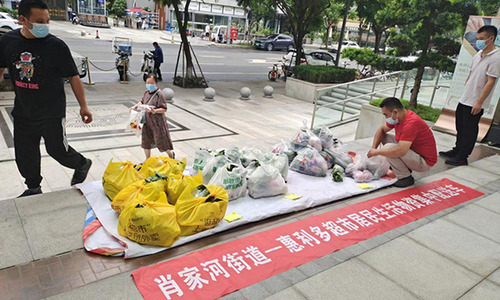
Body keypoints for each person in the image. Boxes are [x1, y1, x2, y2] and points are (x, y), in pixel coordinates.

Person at [0, 0, 93, 197]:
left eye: (47, 20)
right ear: (23, 20)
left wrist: (84, 106)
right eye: (40, 21)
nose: (45, 25)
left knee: (57, 150)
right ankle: (33, 187)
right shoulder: (8, 41)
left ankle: (82, 163)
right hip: (23, 111)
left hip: (51, 111)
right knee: (25, 154)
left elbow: (73, 77)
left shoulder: (56, 46)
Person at [440, 25, 500, 166]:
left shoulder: (496, 58)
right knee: (460, 125)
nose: (478, 41)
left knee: (470, 129)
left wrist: (479, 102)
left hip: (476, 101)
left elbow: (490, 82)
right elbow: (472, 73)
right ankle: (457, 149)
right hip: (466, 97)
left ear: (491, 39)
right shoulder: (479, 54)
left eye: (481, 39)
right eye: (477, 38)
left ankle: (463, 156)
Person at [367, 97, 437, 188]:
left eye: (386, 115)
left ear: (395, 112)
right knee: (384, 137)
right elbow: (382, 130)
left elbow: (401, 151)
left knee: (388, 148)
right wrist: (374, 148)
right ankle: (400, 166)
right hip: (413, 152)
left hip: (424, 162)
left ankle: (405, 177)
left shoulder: (410, 123)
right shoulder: (398, 117)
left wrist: (377, 152)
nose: (386, 118)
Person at [129, 74, 174, 159]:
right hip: (146, 121)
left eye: (151, 83)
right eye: (147, 82)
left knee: (161, 141)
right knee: (146, 141)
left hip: (157, 123)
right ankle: (147, 159)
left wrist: (155, 111)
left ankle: (171, 155)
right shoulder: (146, 93)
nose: (149, 85)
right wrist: (134, 106)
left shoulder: (160, 95)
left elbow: (164, 109)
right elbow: (142, 102)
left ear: (156, 83)